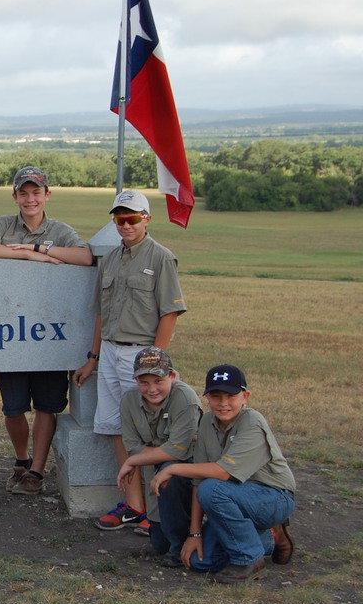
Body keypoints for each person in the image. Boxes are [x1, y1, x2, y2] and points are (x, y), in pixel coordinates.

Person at [0, 166, 93, 495]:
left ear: (47, 195)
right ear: (15, 196)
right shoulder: (3, 225)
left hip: (49, 333)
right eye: (23, 193)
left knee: (46, 405)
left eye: (36, 192)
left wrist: (42, 250)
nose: (30, 199)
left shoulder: (60, 230)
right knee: (13, 408)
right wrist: (26, 254)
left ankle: (37, 471)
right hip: (10, 331)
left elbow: (85, 257)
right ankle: (21, 459)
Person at [74, 189, 186, 534]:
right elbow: (100, 314)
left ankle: (158, 509)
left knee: (148, 428)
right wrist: (92, 357)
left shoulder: (162, 258)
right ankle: (134, 505)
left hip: (142, 353)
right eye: (119, 218)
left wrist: (156, 362)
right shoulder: (110, 259)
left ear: (146, 219)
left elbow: (170, 312)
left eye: (132, 218)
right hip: (109, 350)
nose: (125, 224)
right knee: (116, 426)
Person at [151, 364, 296, 583]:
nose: (223, 403)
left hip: (273, 497)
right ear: (208, 397)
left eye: (231, 396)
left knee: (212, 488)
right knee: (199, 562)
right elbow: (198, 481)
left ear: (245, 396)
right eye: (216, 396)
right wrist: (194, 534)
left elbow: (222, 473)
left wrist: (172, 467)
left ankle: (250, 559)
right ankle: (268, 539)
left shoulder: (252, 422)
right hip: (233, 495)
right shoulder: (208, 422)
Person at [112, 347, 200, 566]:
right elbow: (132, 446)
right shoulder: (129, 401)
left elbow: (179, 450)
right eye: (144, 382)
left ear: (172, 376)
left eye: (158, 381)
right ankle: (174, 539)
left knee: (170, 475)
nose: (151, 389)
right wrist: (142, 455)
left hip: (186, 471)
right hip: (153, 472)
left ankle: (185, 545)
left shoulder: (185, 397)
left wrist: (133, 461)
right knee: (159, 544)